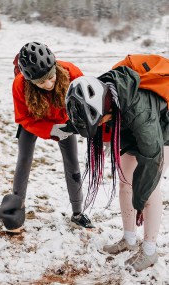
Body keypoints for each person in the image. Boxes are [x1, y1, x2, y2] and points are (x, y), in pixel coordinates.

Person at [65, 66, 169, 271]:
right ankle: (129, 239)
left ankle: (149, 250)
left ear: (105, 109)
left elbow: (151, 158)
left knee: (148, 190)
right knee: (125, 182)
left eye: (100, 119)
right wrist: (69, 126)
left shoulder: (139, 110)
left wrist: (140, 199)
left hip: (163, 134)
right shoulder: (107, 94)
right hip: (133, 131)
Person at [11, 41, 94, 232]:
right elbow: (23, 117)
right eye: (41, 82)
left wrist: (79, 124)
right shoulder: (19, 85)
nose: (48, 85)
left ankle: (78, 213)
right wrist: (50, 130)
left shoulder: (71, 72)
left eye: (51, 78)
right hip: (33, 122)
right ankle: (16, 209)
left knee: (72, 162)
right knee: (24, 159)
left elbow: (86, 101)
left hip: (64, 121)